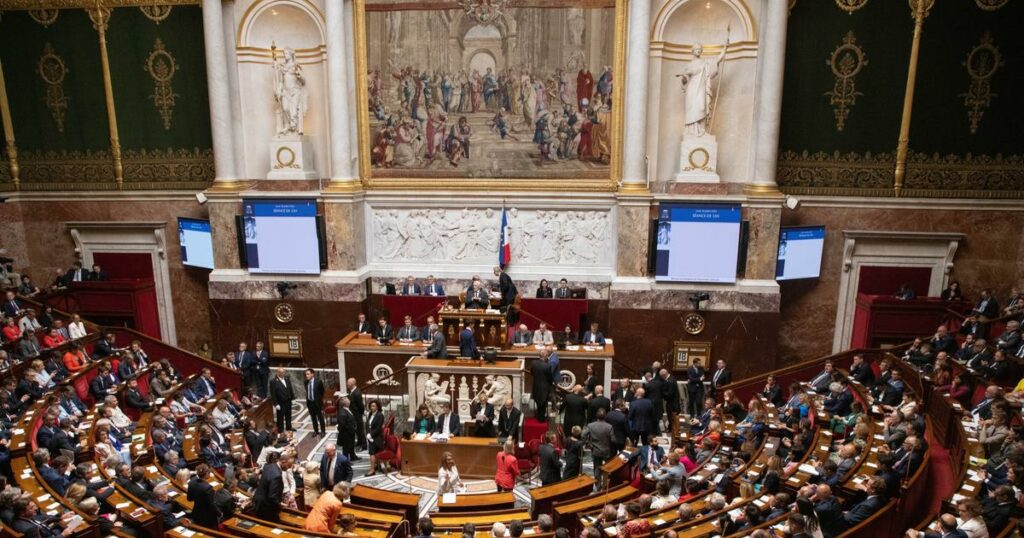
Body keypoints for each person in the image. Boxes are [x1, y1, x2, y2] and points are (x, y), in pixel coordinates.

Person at [531, 352, 553, 422]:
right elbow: (550, 378)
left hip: (536, 386)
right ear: (546, 356)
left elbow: (532, 373)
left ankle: (538, 415)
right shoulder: (547, 366)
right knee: (543, 404)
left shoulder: (533, 363)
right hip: (544, 388)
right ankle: (541, 419)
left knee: (538, 402)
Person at [304, 369, 326, 437]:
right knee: (313, 418)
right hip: (310, 403)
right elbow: (307, 391)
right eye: (306, 374)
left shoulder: (318, 382)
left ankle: (323, 431)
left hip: (317, 403)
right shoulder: (305, 382)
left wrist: (319, 400)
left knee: (320, 418)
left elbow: (322, 392)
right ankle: (316, 431)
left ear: (312, 374)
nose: (306, 376)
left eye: (308, 374)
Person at [366, 400, 385, 475]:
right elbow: (367, 425)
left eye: (374, 406)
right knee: (372, 451)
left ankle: (372, 469)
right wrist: (368, 434)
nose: (372, 407)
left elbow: (378, 428)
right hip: (370, 436)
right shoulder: (370, 414)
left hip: (377, 438)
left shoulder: (380, 415)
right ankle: (374, 466)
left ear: (377, 407)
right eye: (371, 406)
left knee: (372, 452)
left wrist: (371, 435)